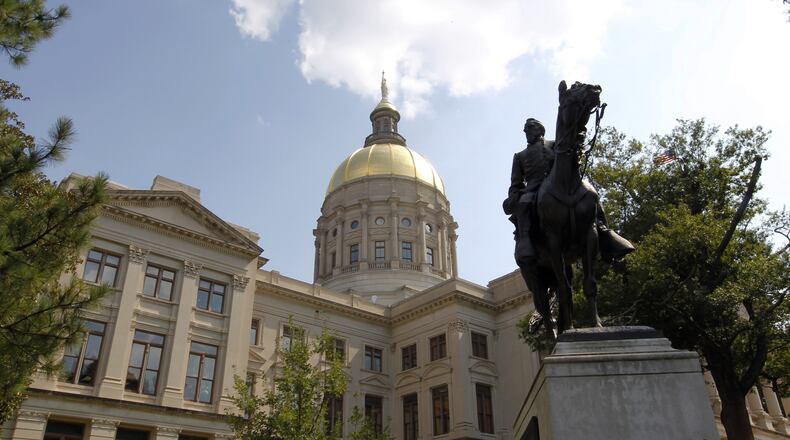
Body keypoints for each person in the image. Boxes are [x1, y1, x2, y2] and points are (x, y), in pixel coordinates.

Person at [503, 118, 634, 265]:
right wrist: (515, 196)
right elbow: (516, 183)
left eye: (530, 128)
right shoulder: (519, 156)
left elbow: (569, 158)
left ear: (540, 129)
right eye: (525, 129)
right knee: (524, 203)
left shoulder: (555, 145)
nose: (526, 131)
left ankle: (605, 233)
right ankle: (525, 241)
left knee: (591, 194)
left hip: (561, 185)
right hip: (534, 189)